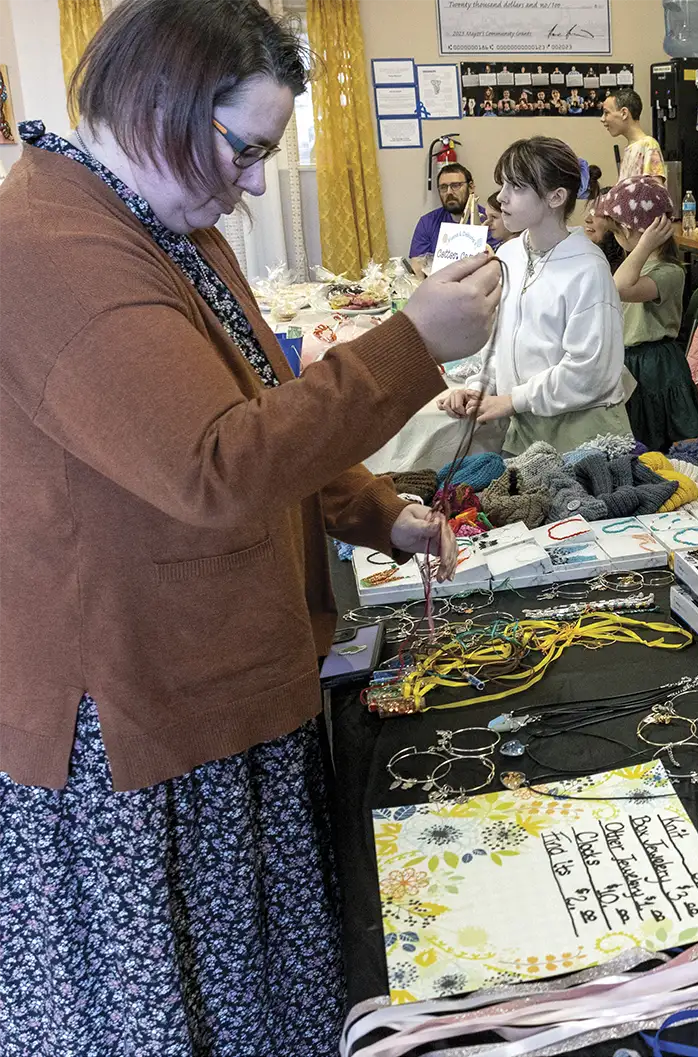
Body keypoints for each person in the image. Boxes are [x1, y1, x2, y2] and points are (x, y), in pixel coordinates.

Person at [0, 0, 501, 1051]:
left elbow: (261, 403)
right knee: (185, 1013)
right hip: (141, 730)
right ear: (154, 102)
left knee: (261, 1001)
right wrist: (413, 345)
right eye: (247, 149)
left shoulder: (157, 223)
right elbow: (215, 465)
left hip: (211, 693)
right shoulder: (52, 247)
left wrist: (381, 515)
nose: (257, 182)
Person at [438, 137, 630, 454]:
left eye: (516, 187)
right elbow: (504, 341)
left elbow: (591, 372)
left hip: (583, 440)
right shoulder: (512, 254)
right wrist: (480, 388)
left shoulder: (588, 269)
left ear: (556, 197)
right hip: (527, 431)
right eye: (503, 185)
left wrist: (514, 400)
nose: (501, 198)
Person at [597, 176, 698, 452]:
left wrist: (644, 245)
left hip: (654, 367)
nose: (616, 238)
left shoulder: (669, 272)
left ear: (641, 231)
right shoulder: (636, 265)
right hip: (632, 361)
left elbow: (620, 288)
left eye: (619, 231)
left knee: (652, 445)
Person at [409, 162, 494, 260]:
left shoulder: (489, 222)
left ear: (471, 187)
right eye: (443, 187)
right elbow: (417, 264)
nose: (449, 192)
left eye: (455, 185)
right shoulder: (427, 223)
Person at [601, 87, 666, 184]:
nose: (602, 119)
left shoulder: (649, 146)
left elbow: (655, 194)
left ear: (624, 113)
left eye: (606, 113)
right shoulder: (630, 149)